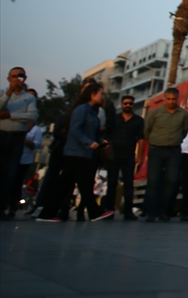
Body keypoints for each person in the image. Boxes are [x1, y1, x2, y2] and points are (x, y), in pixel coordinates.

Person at [37, 82, 114, 222]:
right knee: (84, 184)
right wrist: (89, 142)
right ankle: (94, 212)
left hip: (84, 153)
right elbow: (75, 130)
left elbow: (91, 131)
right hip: (76, 152)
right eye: (100, 94)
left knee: (64, 185)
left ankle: (47, 213)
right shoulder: (81, 110)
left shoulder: (92, 112)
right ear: (92, 94)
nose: (102, 97)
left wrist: (100, 141)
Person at [142, 87, 188, 222]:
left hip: (173, 150)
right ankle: (151, 212)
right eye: (168, 99)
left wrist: (175, 140)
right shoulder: (155, 113)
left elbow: (184, 131)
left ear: (177, 98)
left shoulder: (183, 114)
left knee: (172, 181)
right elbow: (147, 131)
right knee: (153, 181)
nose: (171, 102)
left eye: (173, 99)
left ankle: (164, 211)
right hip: (156, 149)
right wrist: (154, 141)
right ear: (164, 99)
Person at [1, 67, 38, 218]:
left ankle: (3, 207)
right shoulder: (3, 93)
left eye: (20, 76)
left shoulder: (29, 98)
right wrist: (8, 93)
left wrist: (9, 114)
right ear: (9, 78)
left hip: (17, 137)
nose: (17, 79)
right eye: (14, 76)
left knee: (10, 174)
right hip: (1, 134)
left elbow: (32, 116)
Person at [107, 95, 145, 220]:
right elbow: (108, 137)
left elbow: (141, 139)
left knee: (129, 184)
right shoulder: (114, 119)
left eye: (130, 103)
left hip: (129, 156)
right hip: (114, 156)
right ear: (121, 104)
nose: (128, 105)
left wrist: (139, 157)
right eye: (125, 103)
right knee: (112, 183)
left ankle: (128, 211)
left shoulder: (138, 120)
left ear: (133, 105)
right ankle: (109, 210)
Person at [15, 109, 43, 215]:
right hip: (13, 156)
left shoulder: (36, 130)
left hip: (25, 158)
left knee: (18, 181)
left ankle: (14, 206)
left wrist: (25, 140)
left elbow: (37, 144)